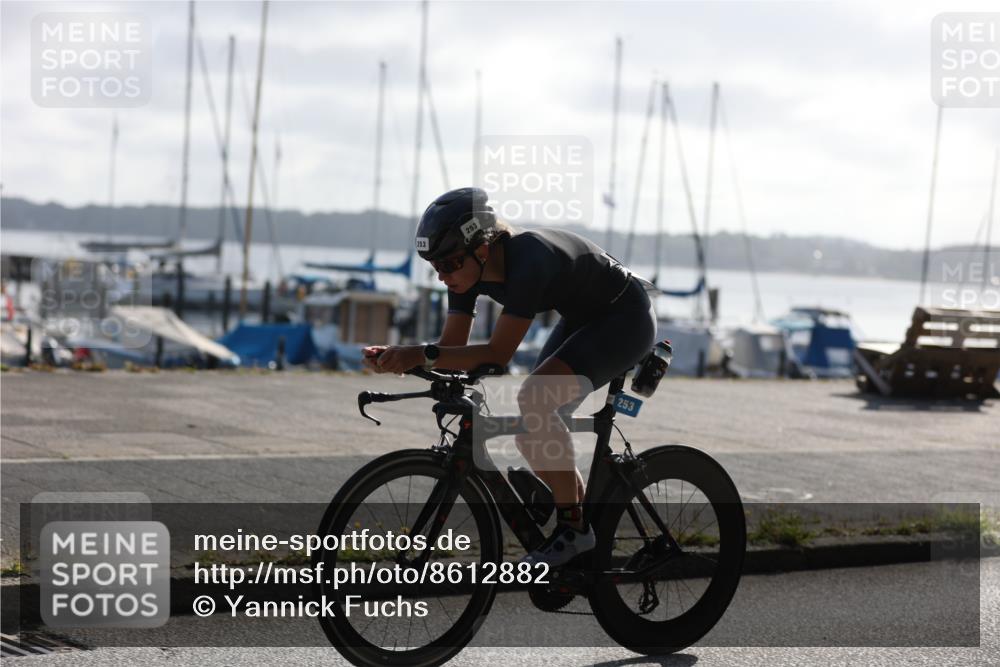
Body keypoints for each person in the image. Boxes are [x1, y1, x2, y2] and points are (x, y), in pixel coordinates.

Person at [363, 187, 656, 567]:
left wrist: (419, 354)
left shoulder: (529, 259)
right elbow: (451, 348)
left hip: (625, 318)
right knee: (530, 427)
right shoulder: (466, 273)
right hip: (583, 318)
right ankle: (573, 523)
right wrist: (400, 357)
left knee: (535, 400)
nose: (443, 276)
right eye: (435, 266)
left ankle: (574, 530)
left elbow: (498, 355)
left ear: (482, 249)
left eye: (449, 263)